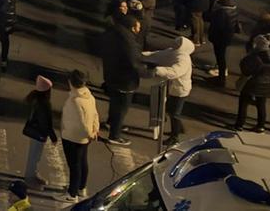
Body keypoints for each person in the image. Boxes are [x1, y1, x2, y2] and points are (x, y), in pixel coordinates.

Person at [100, 16, 142, 146]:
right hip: (125, 80)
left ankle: (111, 123)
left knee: (115, 103)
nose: (139, 29)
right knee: (121, 108)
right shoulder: (129, 42)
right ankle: (115, 135)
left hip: (112, 76)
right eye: (137, 27)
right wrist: (148, 72)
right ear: (132, 27)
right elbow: (134, 63)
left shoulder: (114, 35)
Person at [144, 36, 193, 143]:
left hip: (180, 90)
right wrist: (142, 55)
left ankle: (175, 137)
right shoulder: (174, 52)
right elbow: (158, 55)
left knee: (174, 113)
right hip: (175, 88)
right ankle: (178, 129)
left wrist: (157, 70)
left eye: (178, 43)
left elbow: (175, 72)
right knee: (172, 111)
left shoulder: (183, 58)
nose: (175, 44)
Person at [60, 70, 98, 202]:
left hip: (73, 137)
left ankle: (72, 193)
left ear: (71, 82)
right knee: (82, 162)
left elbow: (83, 124)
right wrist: (94, 131)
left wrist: (90, 133)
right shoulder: (89, 96)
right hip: (83, 138)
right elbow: (94, 115)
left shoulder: (75, 101)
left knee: (74, 165)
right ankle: (81, 187)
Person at [233, 34, 270, 132]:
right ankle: (261, 125)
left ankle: (239, 124)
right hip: (266, 83)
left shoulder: (255, 56)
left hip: (252, 83)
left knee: (243, 103)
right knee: (261, 105)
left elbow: (246, 70)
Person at [21, 75, 57, 188]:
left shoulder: (35, 99)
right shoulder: (44, 104)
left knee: (34, 155)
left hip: (34, 132)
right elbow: (46, 123)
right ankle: (30, 177)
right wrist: (53, 137)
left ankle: (32, 174)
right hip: (39, 133)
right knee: (35, 156)